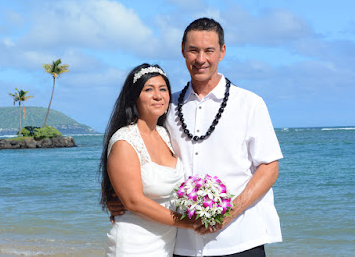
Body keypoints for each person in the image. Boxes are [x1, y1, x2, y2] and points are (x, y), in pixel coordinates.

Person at [108, 18, 283, 257]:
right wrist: (120, 200)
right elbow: (136, 150)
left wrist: (230, 212)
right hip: (183, 246)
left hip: (240, 239)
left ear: (222, 52)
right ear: (183, 51)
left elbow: (269, 168)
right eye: (193, 50)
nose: (201, 59)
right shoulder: (168, 108)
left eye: (209, 50)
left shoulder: (249, 104)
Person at [99, 63, 199, 256]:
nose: (158, 96)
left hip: (166, 243)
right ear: (134, 96)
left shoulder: (166, 134)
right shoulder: (124, 141)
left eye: (163, 89)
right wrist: (188, 223)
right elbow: (134, 202)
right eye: (148, 90)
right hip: (134, 244)